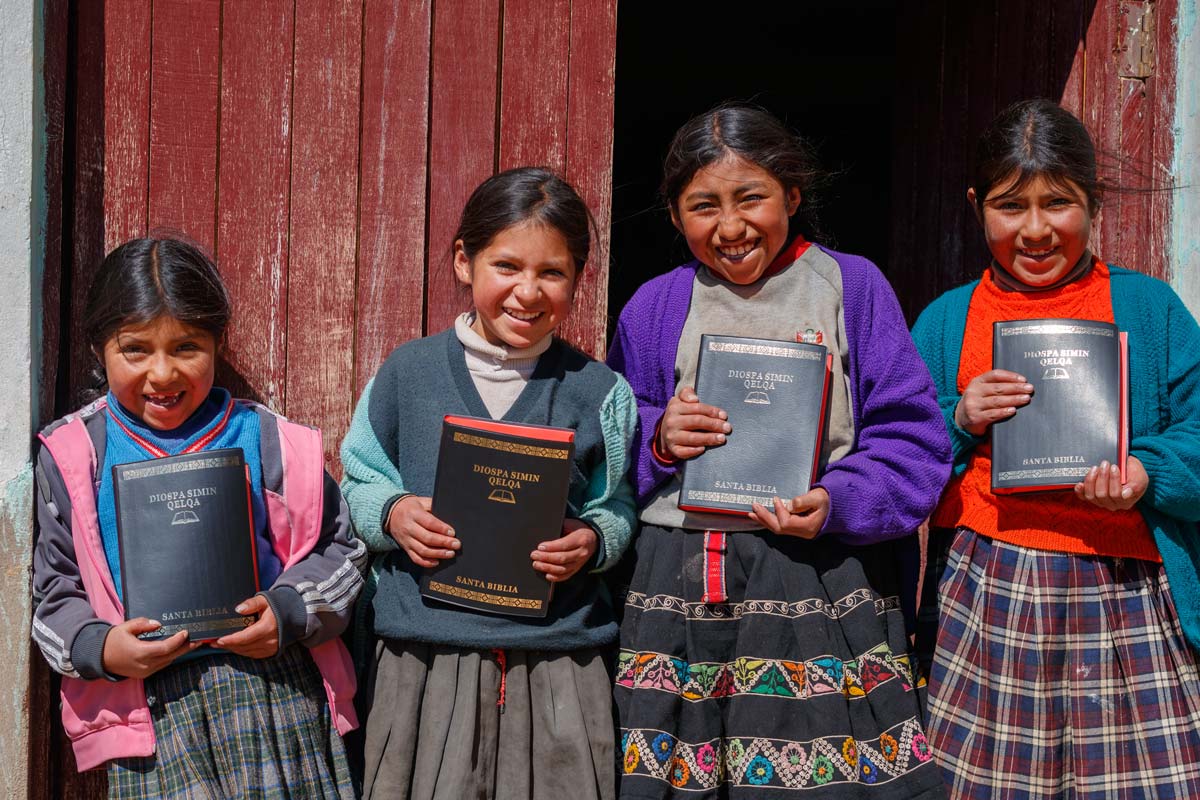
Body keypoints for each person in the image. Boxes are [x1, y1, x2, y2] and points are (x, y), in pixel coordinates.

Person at [607, 102, 951, 799]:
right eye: (703, 206)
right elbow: (611, 432)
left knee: (819, 779)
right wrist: (658, 437)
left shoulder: (849, 288)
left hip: (818, 578)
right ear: (675, 218)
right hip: (679, 582)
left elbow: (913, 441)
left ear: (793, 194)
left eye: (751, 198)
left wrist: (838, 500)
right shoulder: (655, 305)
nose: (730, 227)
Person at [912, 98, 1200, 798]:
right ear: (979, 206)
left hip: (1126, 592)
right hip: (988, 593)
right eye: (1011, 206)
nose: (1035, 230)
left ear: (1094, 203)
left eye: (1059, 204)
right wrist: (960, 418)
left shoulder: (1150, 309)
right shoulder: (949, 320)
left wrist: (1145, 472)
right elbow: (900, 454)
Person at [340, 166, 637, 800]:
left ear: (579, 279)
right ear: (463, 262)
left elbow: (617, 504)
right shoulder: (407, 374)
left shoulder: (600, 392)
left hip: (558, 659)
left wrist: (591, 539)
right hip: (426, 656)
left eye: (552, 273)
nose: (528, 292)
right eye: (507, 266)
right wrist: (392, 515)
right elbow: (359, 480)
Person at [31, 237, 365, 797]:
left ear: (217, 342)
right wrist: (105, 649)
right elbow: (53, 596)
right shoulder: (74, 456)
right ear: (98, 348)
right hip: (151, 715)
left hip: (274, 697)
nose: (162, 374)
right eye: (135, 350)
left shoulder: (267, 442)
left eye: (186, 347)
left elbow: (342, 551)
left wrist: (285, 613)